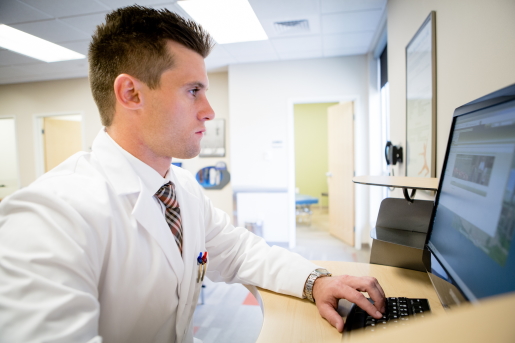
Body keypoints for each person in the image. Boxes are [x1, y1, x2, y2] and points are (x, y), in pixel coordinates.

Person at [0, 5, 385, 343]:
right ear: (131, 94)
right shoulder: (49, 217)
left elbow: (237, 251)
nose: (209, 110)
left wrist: (315, 280)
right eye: (193, 91)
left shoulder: (179, 188)